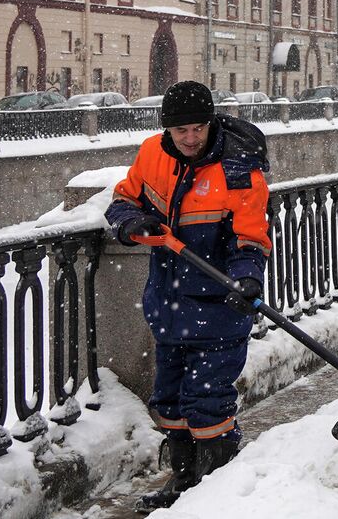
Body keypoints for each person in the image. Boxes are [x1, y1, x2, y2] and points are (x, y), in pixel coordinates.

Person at [105, 81, 272, 513]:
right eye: (182, 131)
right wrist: (131, 224)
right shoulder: (151, 155)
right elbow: (122, 199)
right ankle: (182, 485)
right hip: (168, 306)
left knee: (208, 403)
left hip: (218, 308)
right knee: (170, 401)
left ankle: (213, 493)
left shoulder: (238, 169)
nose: (191, 139)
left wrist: (247, 279)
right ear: (168, 130)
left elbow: (250, 238)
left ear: (211, 122)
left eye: (198, 128)